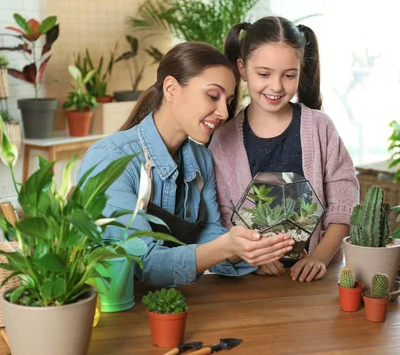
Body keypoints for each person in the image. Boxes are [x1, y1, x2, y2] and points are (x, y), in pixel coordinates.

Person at [78, 42, 295, 288]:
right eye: (213, 96)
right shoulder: (111, 160)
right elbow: (142, 260)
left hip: (177, 303)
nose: (223, 112)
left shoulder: (200, 159)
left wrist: (244, 250)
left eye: (229, 100)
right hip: (117, 309)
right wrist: (225, 246)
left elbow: (209, 233)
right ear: (171, 89)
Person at [209, 16, 359, 282]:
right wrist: (252, 258)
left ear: (301, 70)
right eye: (264, 74)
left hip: (316, 280)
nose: (276, 86)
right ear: (242, 69)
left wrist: (319, 258)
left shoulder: (320, 128)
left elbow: (344, 203)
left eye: (289, 75)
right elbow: (221, 218)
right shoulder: (223, 140)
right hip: (250, 283)